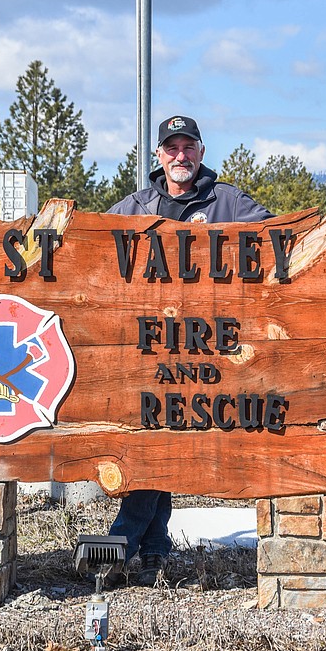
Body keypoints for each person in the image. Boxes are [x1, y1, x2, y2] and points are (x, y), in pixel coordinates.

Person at [106, 115, 272, 586]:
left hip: (210, 348)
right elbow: (92, 245)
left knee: (165, 437)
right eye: (171, 148)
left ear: (201, 151)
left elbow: (274, 239)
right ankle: (154, 548)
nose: (180, 156)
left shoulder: (229, 201)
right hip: (150, 345)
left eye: (188, 147)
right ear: (158, 156)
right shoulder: (136, 205)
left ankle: (123, 541)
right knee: (158, 436)